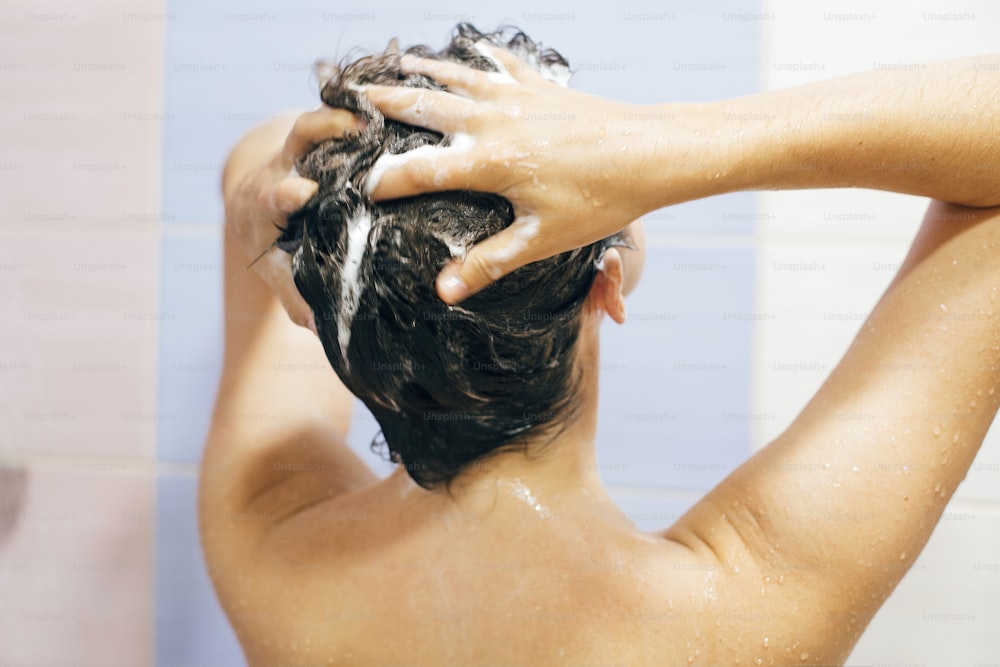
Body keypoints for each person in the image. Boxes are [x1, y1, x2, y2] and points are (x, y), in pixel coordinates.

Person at [201, 24, 1000, 666]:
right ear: (608, 285)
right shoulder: (740, 613)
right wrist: (657, 146)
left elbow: (267, 160)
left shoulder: (275, 553)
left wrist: (256, 202)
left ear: (330, 315)